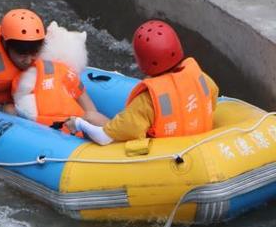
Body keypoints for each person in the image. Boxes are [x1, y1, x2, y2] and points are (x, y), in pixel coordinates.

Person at [65, 20, 219, 144]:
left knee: (90, 117)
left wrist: (78, 123)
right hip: (199, 143)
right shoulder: (202, 79)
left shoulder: (147, 101)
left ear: (142, 63)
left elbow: (104, 137)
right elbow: (212, 100)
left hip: (163, 156)